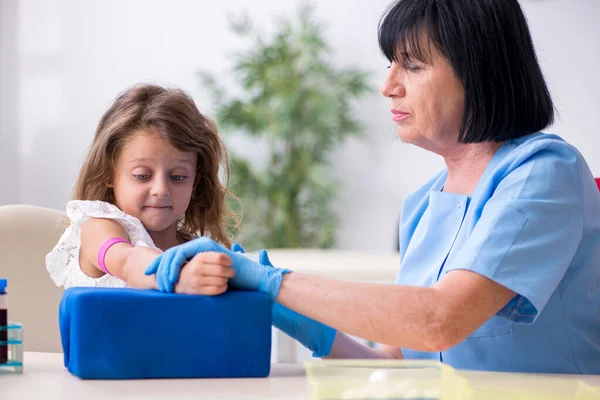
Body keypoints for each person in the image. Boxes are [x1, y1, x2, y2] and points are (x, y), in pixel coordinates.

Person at [146, 0, 600, 374]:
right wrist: (292, 314)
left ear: (479, 70)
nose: (388, 86)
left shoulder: (545, 172)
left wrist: (274, 282)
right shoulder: (423, 205)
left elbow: (439, 320)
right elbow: (397, 361)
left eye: (413, 66)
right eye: (390, 65)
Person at [46, 84, 239, 295]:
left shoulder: (195, 249)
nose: (161, 189)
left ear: (195, 181)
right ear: (109, 173)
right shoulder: (99, 228)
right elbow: (128, 262)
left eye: (177, 177)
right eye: (142, 176)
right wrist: (180, 278)